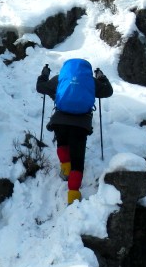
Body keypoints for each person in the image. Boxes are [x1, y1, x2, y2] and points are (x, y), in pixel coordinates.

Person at [36, 60, 113, 205]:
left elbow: (40, 87)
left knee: (62, 143)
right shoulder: (90, 81)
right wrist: (101, 77)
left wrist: (44, 75)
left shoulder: (60, 78)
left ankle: (66, 170)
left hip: (60, 120)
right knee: (78, 161)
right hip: (80, 124)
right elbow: (108, 91)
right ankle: (73, 196)